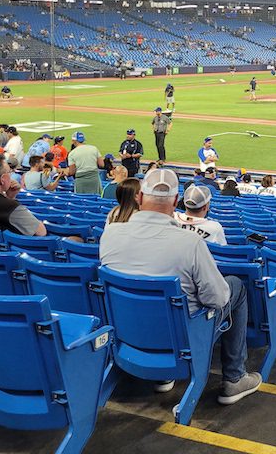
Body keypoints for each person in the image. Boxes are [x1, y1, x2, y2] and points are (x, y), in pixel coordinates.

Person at [99, 169, 261, 404]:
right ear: (175, 201)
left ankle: (163, 375)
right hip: (180, 336)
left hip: (128, 334)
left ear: (140, 198)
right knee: (235, 286)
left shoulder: (110, 233)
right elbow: (217, 300)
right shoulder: (191, 243)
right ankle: (234, 378)